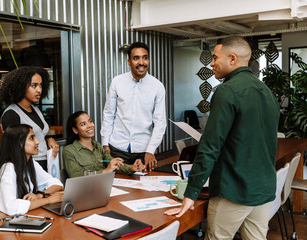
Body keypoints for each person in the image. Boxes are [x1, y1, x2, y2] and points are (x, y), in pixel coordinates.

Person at [165, 36, 280, 239]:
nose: (211, 63)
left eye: (215, 57)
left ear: (232, 58)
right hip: (262, 190)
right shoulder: (266, 91)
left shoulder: (226, 90)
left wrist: (190, 193)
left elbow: (210, 146)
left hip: (233, 191)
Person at [100, 42, 166, 171]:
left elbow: (160, 122)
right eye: (136, 58)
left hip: (143, 150)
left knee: (143, 188)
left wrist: (151, 150)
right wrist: (105, 143)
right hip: (117, 147)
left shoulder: (157, 86)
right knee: (115, 186)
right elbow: (108, 114)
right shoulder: (117, 82)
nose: (141, 62)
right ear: (129, 61)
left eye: (145, 57)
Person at [0, 124, 63, 215]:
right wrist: (48, 200)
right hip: (1, 220)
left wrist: (40, 195)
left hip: (22, 218)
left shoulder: (31, 163)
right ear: (20, 144)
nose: (37, 142)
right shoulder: (8, 168)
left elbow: (58, 184)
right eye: (32, 138)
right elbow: (11, 207)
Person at [0, 66, 59, 171]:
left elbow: (38, 134)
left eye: (40, 85)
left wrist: (49, 139)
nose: (39, 90)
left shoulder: (36, 110)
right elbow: (13, 148)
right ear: (20, 87)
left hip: (46, 162)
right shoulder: (11, 114)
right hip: (27, 166)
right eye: (34, 86)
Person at [63, 111, 145, 178]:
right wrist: (105, 171)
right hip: (85, 191)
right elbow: (76, 177)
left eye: (90, 121)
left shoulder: (97, 146)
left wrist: (131, 168)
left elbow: (111, 162)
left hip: (104, 186)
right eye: (83, 124)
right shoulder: (69, 151)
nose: (89, 126)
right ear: (75, 130)